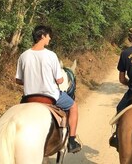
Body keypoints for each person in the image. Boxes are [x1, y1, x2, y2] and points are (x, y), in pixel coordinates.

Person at [15, 25, 82, 153]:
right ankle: (72, 141)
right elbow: (60, 80)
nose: (50, 38)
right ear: (42, 36)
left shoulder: (23, 56)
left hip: (29, 98)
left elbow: (18, 80)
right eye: (48, 36)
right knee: (73, 106)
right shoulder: (51, 55)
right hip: (50, 96)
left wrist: (31, 80)